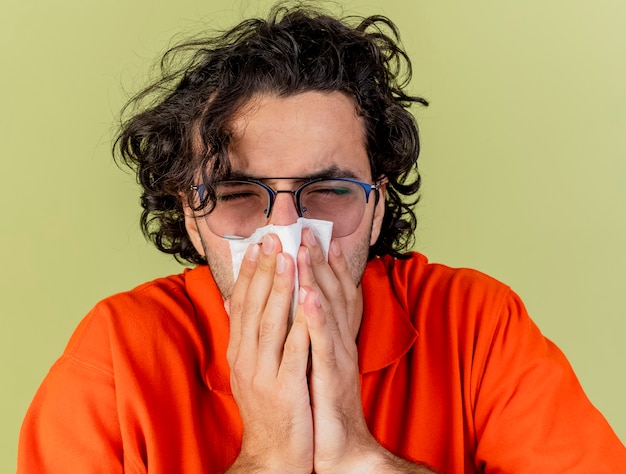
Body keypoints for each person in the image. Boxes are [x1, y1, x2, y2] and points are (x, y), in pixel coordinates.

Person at [18, 3, 626, 473]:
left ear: (379, 205)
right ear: (191, 219)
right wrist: (269, 457)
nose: (285, 232)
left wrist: (357, 454)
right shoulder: (117, 357)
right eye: (236, 195)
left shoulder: (475, 325)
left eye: (330, 191)